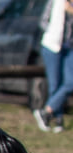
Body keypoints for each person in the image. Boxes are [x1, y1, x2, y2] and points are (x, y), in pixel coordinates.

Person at [33, 0, 73, 132]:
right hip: (52, 46)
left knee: (70, 82)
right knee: (55, 83)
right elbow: (44, 21)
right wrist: (53, 33)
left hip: (69, 48)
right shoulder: (55, 2)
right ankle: (58, 120)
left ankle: (46, 111)